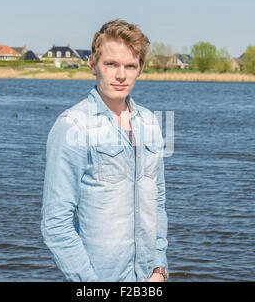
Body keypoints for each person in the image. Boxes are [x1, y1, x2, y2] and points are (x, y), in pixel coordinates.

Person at [41, 19, 168, 282]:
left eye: (130, 66)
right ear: (92, 64)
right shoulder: (72, 126)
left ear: (140, 69)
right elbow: (55, 224)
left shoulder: (150, 123)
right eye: (111, 64)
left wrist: (159, 268)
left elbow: (158, 201)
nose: (121, 75)